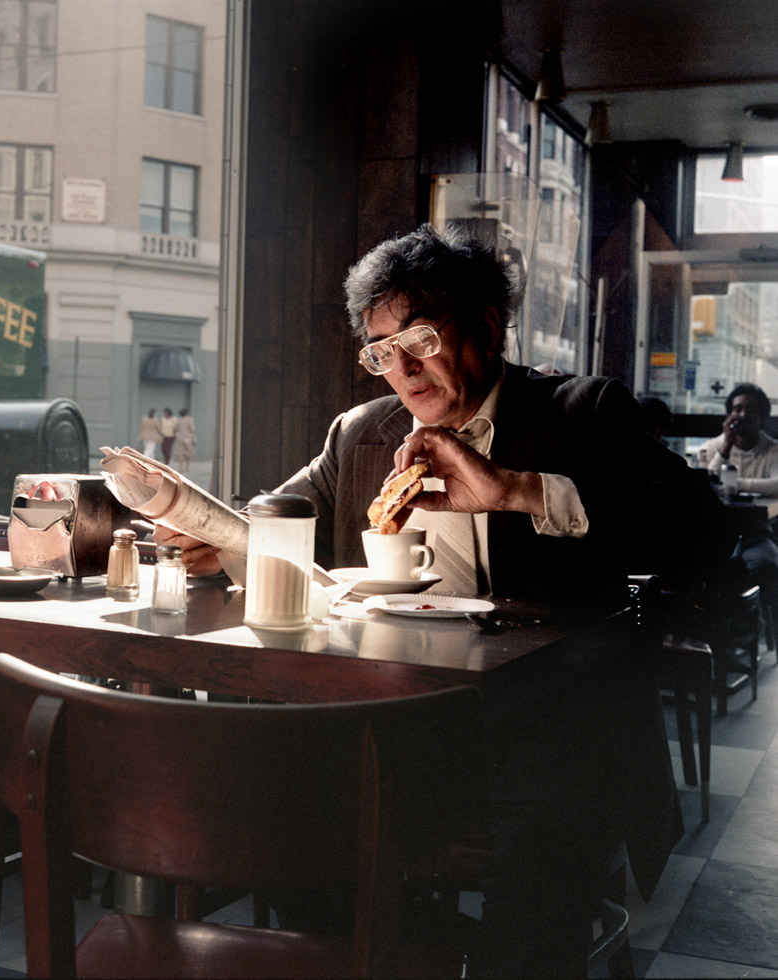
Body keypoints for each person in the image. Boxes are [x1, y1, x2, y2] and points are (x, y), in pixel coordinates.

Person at [155, 224, 735, 975]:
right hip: (397, 729)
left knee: (534, 898)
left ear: (488, 327)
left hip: (550, 734)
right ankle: (413, 944)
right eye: (380, 351)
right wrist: (209, 531)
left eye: (419, 337)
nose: (401, 369)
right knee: (280, 824)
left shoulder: (582, 414)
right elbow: (275, 515)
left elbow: (704, 532)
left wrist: (515, 490)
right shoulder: (362, 435)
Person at [691, 382, 778, 621]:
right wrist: (726, 447)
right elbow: (705, 482)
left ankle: (758, 624)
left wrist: (733, 483)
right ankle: (723, 630)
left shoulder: (773, 450)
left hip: (757, 533)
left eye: (751, 410)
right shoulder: (712, 448)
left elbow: (776, 484)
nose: (743, 415)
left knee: (765, 565)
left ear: (762, 417)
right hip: (715, 534)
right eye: (738, 409)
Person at [173, 407, 196, 475]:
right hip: (187, 437)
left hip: (180, 437)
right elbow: (192, 429)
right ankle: (187, 468)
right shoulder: (190, 420)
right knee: (188, 453)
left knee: (180, 453)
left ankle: (180, 467)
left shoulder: (178, 420)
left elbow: (175, 429)